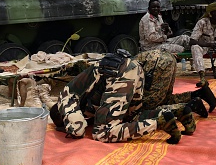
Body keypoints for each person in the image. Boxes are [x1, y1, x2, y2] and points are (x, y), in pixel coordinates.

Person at [49, 50, 196, 144]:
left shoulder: (65, 99)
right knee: (132, 117)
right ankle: (180, 111)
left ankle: (158, 122)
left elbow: (77, 130)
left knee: (102, 132)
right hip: (133, 68)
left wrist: (69, 126)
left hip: (119, 75)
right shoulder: (78, 98)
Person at [136, 49, 215, 117]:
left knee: (145, 108)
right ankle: (198, 94)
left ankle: (186, 107)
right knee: (165, 99)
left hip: (159, 63)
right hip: (166, 59)